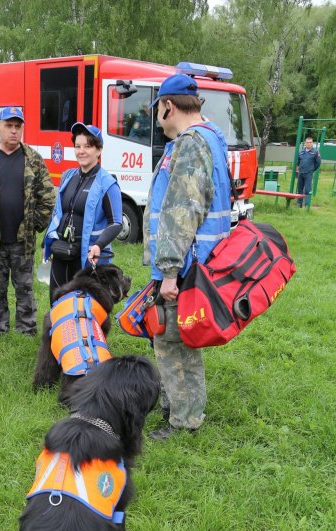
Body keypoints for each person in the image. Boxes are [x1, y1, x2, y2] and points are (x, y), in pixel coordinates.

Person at [143, 73, 231, 441]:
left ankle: (183, 422)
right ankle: (176, 408)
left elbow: (182, 213)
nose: (157, 118)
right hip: (197, 264)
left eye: (158, 110)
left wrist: (167, 272)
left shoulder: (192, 144)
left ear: (168, 106)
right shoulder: (208, 138)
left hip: (185, 269)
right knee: (175, 340)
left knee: (176, 342)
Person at [0, 106, 55, 338]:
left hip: (22, 240)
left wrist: (35, 224)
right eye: (9, 126)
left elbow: (47, 195)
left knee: (24, 287)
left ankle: (27, 328)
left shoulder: (32, 158)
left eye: (18, 126)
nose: (14, 131)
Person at [44, 122, 123, 304]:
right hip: (62, 252)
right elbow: (59, 212)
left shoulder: (107, 183)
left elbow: (116, 223)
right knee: (57, 303)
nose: (81, 151)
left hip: (89, 257)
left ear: (99, 150)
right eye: (78, 146)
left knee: (86, 308)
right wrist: (47, 241)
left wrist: (99, 245)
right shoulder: (68, 176)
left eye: (88, 146)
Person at [296, 135, 321, 208]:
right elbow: (298, 162)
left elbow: (318, 163)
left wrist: (312, 170)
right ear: (305, 143)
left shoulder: (315, 152)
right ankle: (299, 203)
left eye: (310, 142)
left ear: (312, 143)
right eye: (307, 142)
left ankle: (307, 204)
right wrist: (298, 169)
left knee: (307, 189)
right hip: (301, 173)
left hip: (308, 173)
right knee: (300, 188)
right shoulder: (301, 152)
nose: (309, 144)